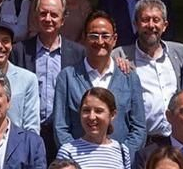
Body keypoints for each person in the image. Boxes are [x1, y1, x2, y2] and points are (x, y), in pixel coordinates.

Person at [52, 11, 146, 159]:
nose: (100, 41)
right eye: (93, 36)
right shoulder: (67, 77)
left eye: (105, 36)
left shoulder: (129, 78)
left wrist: (122, 156)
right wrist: (77, 158)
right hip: (79, 165)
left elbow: (139, 127)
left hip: (119, 166)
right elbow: (60, 127)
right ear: (84, 39)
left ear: (114, 39)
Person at [11, 0, 86, 157]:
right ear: (36, 17)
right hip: (28, 133)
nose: (48, 19)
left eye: (54, 14)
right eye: (43, 13)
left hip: (65, 134)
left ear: (63, 19)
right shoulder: (19, 51)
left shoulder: (78, 53)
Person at [114, 0, 183, 138]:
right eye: (145, 20)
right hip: (142, 142)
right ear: (136, 24)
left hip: (175, 140)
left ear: (165, 25)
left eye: (156, 20)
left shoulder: (180, 52)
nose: (151, 25)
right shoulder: (120, 55)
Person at [55, 87, 132, 169]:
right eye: (86, 110)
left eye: (98, 111)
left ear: (112, 115)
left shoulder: (122, 151)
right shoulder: (68, 152)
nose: (91, 117)